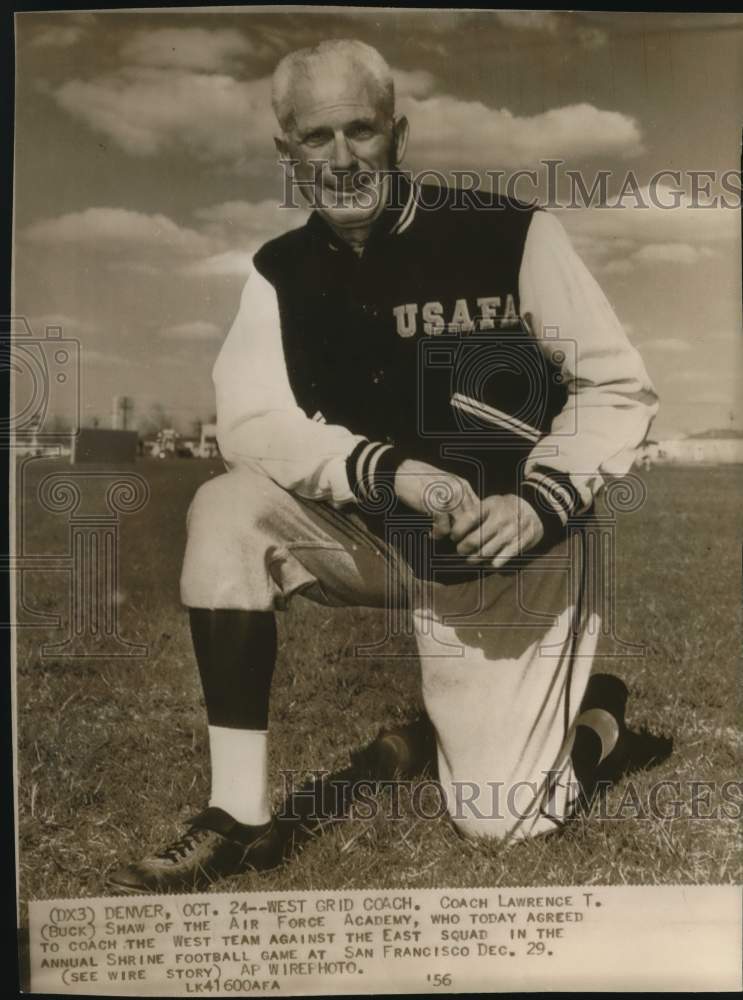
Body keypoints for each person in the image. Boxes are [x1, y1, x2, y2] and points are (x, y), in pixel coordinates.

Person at [108, 39, 661, 894]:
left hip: (513, 550)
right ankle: (238, 814)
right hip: (381, 537)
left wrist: (539, 500)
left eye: (359, 130)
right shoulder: (278, 272)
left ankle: (595, 718)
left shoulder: (510, 232)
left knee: (503, 823)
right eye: (315, 138)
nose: (341, 158)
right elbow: (252, 423)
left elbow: (616, 386)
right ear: (285, 152)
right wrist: (385, 470)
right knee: (226, 510)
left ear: (396, 133)